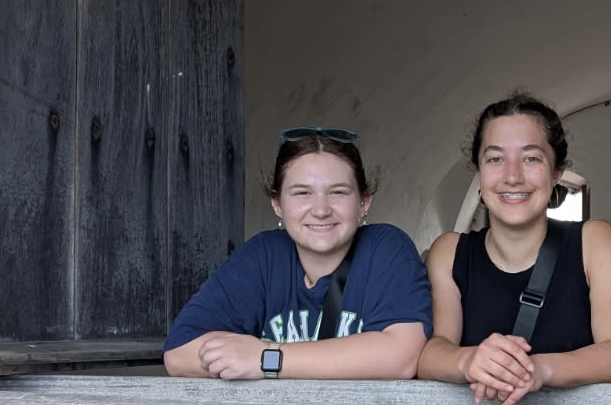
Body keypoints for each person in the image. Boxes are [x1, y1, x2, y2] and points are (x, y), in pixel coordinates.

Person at [417, 92, 611, 405]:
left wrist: (539, 369)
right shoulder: (449, 252)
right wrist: (468, 360)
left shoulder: (594, 242)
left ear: (556, 172)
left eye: (531, 158)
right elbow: (430, 353)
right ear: (479, 170)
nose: (512, 176)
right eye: (495, 159)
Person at [163, 126, 432, 379]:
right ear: (277, 204)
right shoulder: (263, 255)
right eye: (302, 193)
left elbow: (402, 356)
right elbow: (179, 352)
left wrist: (266, 358)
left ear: (364, 201)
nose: (321, 210)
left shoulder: (386, 249)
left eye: (337, 192)